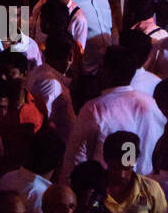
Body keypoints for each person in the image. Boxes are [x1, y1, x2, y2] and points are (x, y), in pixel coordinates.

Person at [60, 46, 167, 181]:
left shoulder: (95, 109)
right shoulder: (152, 104)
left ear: (107, 71)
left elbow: (75, 158)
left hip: (108, 192)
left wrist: (68, 189)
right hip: (145, 190)